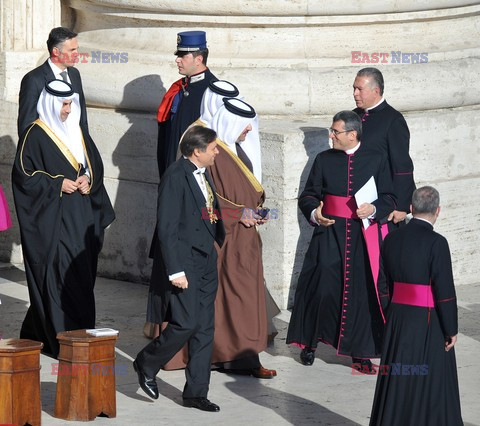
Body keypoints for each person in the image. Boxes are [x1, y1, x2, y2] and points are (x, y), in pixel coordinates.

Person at [12, 80, 115, 358]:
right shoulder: (34, 134)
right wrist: (57, 184)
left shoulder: (78, 131)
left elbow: (94, 164)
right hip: (54, 222)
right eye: (64, 105)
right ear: (51, 104)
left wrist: (88, 179)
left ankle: (78, 335)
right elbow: (24, 178)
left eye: (71, 104)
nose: (69, 110)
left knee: (80, 276)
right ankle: (62, 340)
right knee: (58, 276)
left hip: (82, 217)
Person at [286, 111, 396, 372]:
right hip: (329, 234)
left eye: (335, 132)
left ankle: (361, 352)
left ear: (352, 134)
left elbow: (390, 197)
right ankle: (310, 343)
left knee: (361, 293)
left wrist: (374, 209)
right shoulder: (323, 160)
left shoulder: (377, 158)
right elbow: (308, 196)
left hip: (362, 237)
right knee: (320, 287)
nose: (331, 136)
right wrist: (315, 212)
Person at [133, 125, 225, 412]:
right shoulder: (176, 175)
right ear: (197, 151)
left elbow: (204, 211)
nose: (217, 152)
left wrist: (247, 215)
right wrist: (176, 271)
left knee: (204, 328)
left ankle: (196, 392)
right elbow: (168, 227)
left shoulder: (202, 173)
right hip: (184, 262)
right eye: (213, 148)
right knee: (186, 323)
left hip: (206, 259)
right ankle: (147, 362)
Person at [370, 186, 463, 425]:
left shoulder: (391, 237)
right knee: (430, 379)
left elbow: (383, 283)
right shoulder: (437, 242)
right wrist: (451, 329)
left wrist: (391, 313)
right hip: (428, 321)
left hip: (398, 318)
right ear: (438, 211)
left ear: (411, 209)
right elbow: (444, 292)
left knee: (399, 376)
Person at [352, 67, 415, 229]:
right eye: (354, 88)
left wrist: (401, 205)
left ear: (376, 91)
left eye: (360, 89)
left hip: (382, 203)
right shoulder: (353, 116)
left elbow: (402, 166)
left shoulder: (393, 120)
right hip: (354, 202)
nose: (355, 93)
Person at [156, 30, 217, 178]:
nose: (177, 60)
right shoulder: (180, 87)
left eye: (183, 56)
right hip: (173, 168)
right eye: (178, 55)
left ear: (198, 59)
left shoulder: (213, 91)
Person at [18, 27, 89, 138]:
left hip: (75, 147)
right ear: (56, 51)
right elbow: (27, 125)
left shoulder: (75, 74)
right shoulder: (33, 79)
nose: (77, 54)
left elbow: (82, 116)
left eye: (77, 49)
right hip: (49, 150)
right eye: (72, 50)